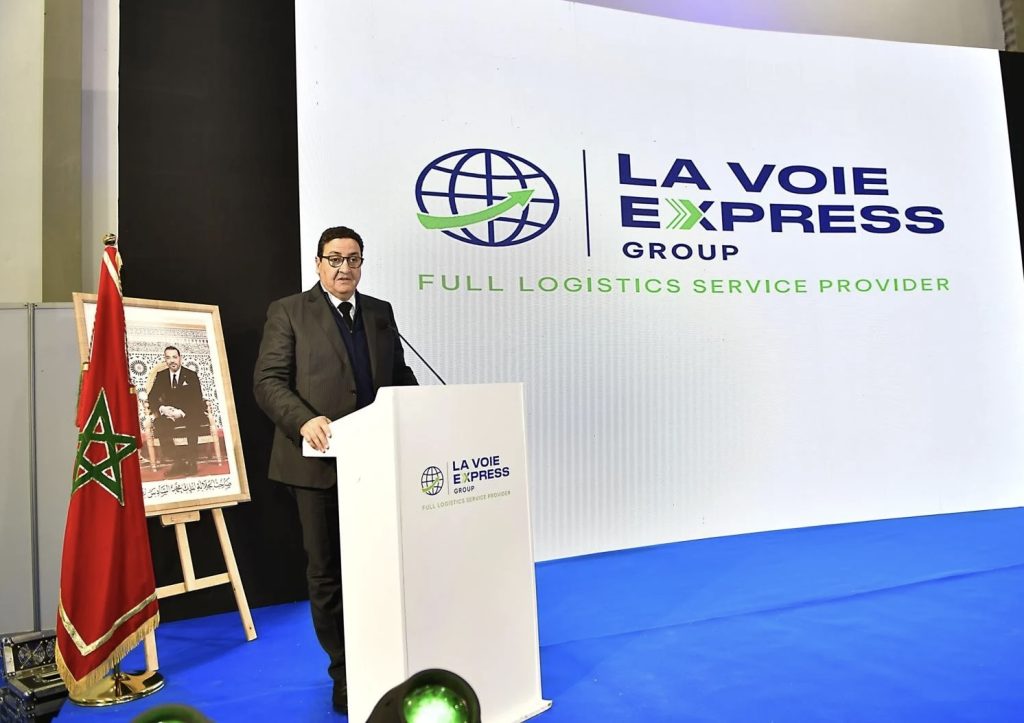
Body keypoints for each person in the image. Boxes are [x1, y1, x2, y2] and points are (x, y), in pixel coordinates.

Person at [253, 225, 418, 713]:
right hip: (316, 465)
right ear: (318, 264)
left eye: (353, 259)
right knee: (327, 573)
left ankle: (383, 655)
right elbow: (268, 381)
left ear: (362, 263)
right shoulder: (289, 311)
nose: (345, 268)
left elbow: (397, 375)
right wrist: (304, 420)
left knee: (378, 565)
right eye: (335, 259)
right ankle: (345, 671)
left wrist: (423, 407)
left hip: (375, 462)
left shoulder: (380, 312)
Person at [148, 345, 206, 476]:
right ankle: (178, 461)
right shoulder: (161, 376)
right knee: (159, 424)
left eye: (174, 357)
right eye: (168, 358)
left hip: (189, 412)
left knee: (193, 421)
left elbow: (197, 399)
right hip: (170, 413)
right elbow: (151, 397)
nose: (172, 360)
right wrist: (163, 408)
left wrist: (181, 412)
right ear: (165, 359)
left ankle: (191, 462)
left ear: (180, 358)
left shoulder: (191, 375)